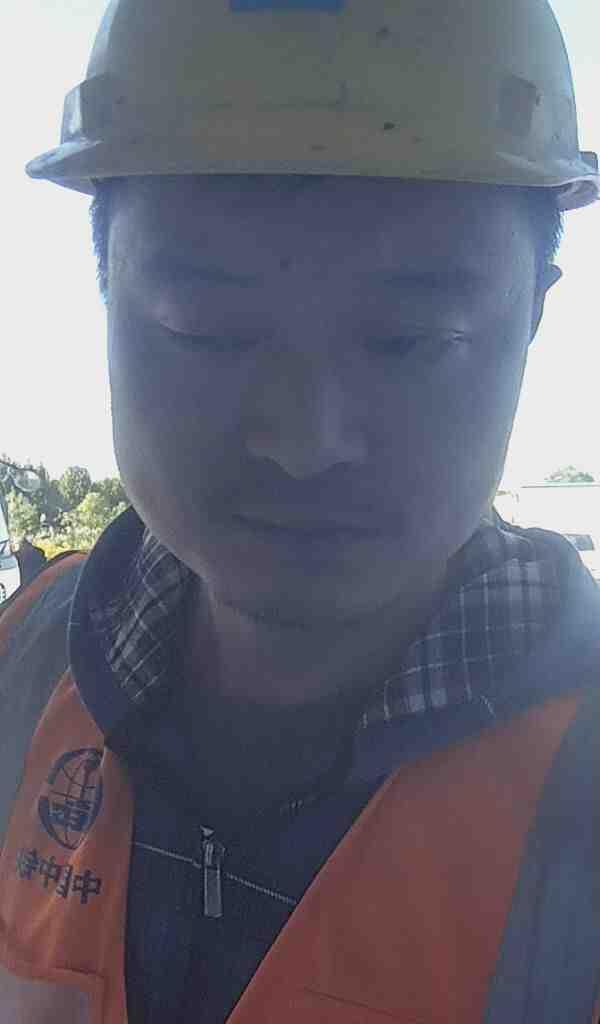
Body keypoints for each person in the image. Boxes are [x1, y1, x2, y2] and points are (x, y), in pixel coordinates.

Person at [1, 2, 600, 1021]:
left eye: (409, 339)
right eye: (207, 328)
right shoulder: (25, 659)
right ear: (104, 291)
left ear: (534, 311)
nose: (305, 438)